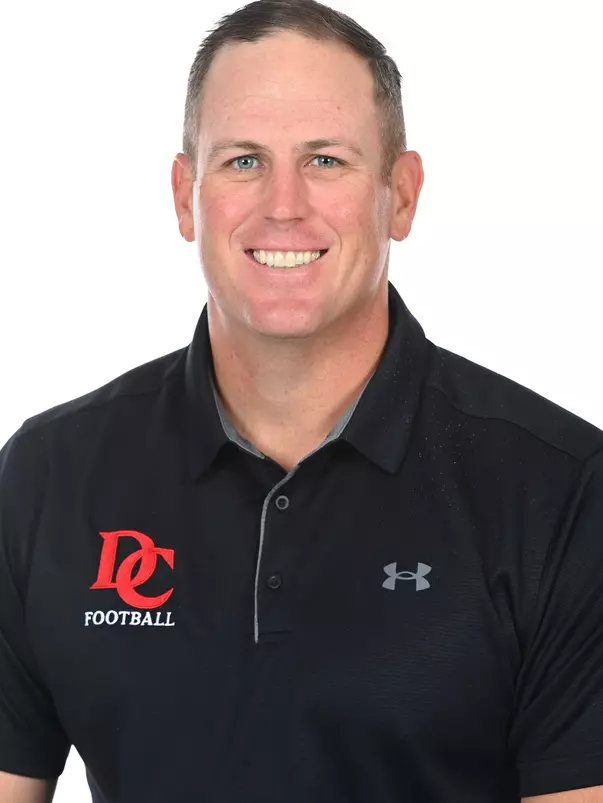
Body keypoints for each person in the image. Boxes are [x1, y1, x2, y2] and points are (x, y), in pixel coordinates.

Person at [1, 0, 602, 801]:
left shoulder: (561, 494)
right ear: (186, 196)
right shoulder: (46, 478)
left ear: (402, 193)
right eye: (243, 161)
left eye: (325, 160)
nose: (283, 204)